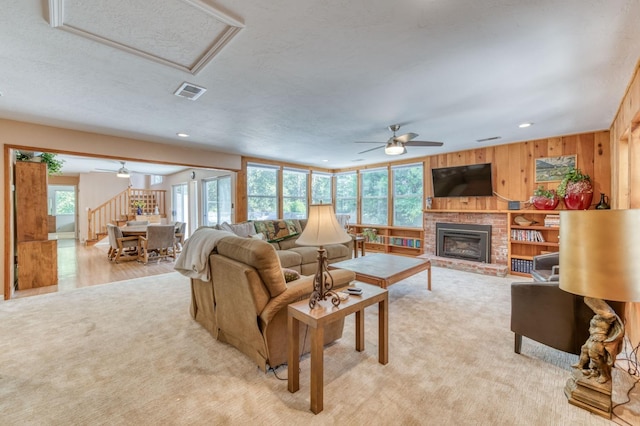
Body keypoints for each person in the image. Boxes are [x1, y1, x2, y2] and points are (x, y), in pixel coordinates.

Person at [573, 297, 624, 384]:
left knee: (595, 357)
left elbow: (606, 312)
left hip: (599, 340)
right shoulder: (598, 316)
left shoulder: (609, 316)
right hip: (592, 337)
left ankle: (604, 375)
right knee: (584, 349)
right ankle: (583, 366)